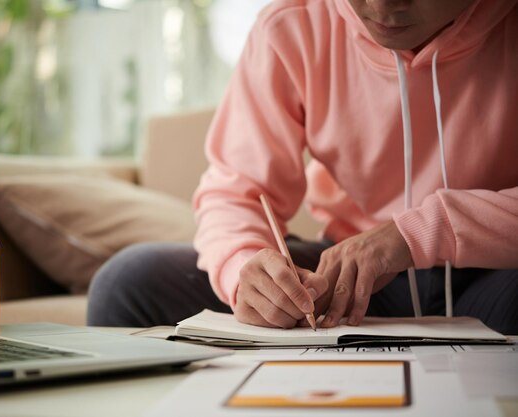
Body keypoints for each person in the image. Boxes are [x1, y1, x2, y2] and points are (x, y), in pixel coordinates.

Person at [87, 0, 518, 334]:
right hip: (347, 282)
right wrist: (244, 269)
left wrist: (422, 232)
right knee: (127, 282)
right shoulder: (293, 24)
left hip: (495, 271)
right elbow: (234, 190)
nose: (383, 5)